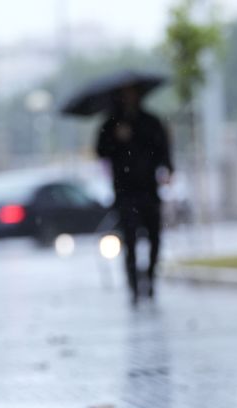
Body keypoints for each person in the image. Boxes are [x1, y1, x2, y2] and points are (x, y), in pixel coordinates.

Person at [96, 85, 174, 305]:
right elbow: (101, 151)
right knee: (129, 240)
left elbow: (163, 150)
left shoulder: (150, 121)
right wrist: (116, 138)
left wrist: (168, 168)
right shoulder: (111, 123)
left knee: (154, 238)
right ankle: (132, 285)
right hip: (125, 192)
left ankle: (150, 279)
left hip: (149, 189)